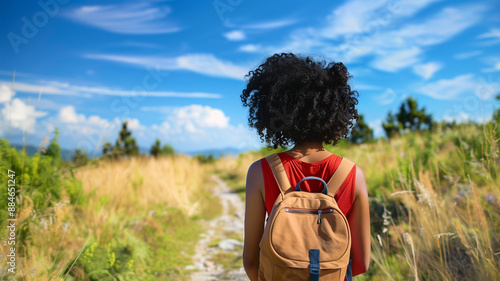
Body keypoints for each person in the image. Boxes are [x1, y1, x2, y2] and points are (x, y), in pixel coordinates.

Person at [240, 53, 371, 280]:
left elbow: (251, 261)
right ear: (335, 113)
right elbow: (361, 263)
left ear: (278, 114)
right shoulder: (353, 174)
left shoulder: (260, 171)